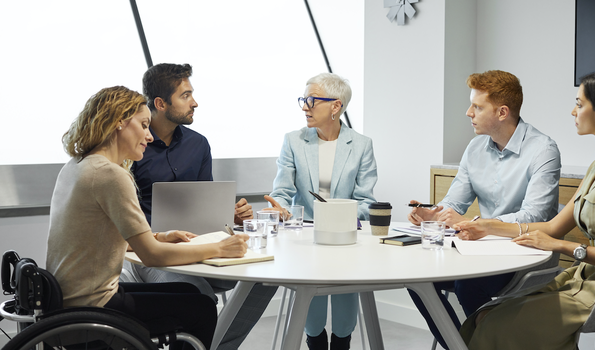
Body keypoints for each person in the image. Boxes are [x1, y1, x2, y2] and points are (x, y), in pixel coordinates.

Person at [454, 69, 595, 350]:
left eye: (580, 104)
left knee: (498, 325)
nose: (573, 111)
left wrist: (563, 247)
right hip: (584, 276)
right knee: (482, 316)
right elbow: (551, 227)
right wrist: (487, 226)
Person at [46, 86, 251, 350]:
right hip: (94, 305)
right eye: (144, 125)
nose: (149, 136)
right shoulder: (110, 175)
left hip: (69, 300)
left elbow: (97, 239)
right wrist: (220, 248)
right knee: (201, 307)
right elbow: (152, 257)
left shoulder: (77, 165)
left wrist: (159, 236)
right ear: (119, 122)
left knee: (191, 293)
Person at [124, 63, 278, 350]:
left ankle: (218, 346)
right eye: (185, 96)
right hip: (156, 251)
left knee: (265, 280)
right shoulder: (133, 148)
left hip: (199, 244)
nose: (195, 102)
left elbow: (204, 204)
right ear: (160, 103)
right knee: (199, 296)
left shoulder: (198, 144)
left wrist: (228, 216)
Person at [406, 70, 561, 349]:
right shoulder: (475, 148)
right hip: (480, 249)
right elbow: (455, 203)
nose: (468, 113)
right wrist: (433, 214)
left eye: (477, 107)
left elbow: (534, 216)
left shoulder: (543, 150)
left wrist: (478, 223)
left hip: (525, 251)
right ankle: (462, 345)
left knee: (469, 284)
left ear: (502, 112)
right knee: (417, 278)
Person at [268, 72, 378, 350]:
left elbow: (366, 201)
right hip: (305, 237)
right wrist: (281, 209)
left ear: (336, 106)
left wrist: (342, 218)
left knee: (345, 289)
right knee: (312, 301)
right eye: (303, 100)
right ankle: (314, 340)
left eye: (312, 100)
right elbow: (282, 192)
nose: (305, 106)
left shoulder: (361, 145)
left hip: (346, 237)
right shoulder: (293, 141)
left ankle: (343, 341)